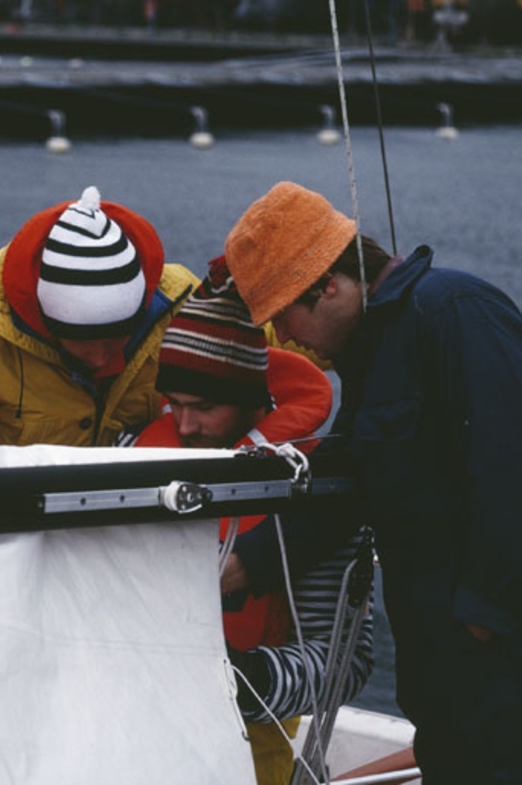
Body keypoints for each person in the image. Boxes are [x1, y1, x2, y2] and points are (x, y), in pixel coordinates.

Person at [221, 181, 522, 783]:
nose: (284, 339)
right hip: (444, 669)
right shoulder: (372, 353)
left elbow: (518, 475)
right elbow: (346, 485)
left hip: (503, 664)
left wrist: (478, 622)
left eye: (283, 316)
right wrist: (245, 564)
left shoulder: (456, 312)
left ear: (328, 284)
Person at [126, 259, 374, 785]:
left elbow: (343, 665)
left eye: (206, 406)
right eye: (175, 405)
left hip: (249, 744)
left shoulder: (312, 497)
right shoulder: (127, 461)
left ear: (251, 400)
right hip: (135, 729)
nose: (186, 424)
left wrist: (243, 681)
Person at [0, 185, 199, 454]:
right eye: (83, 342)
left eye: (118, 337)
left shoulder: (188, 309)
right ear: (46, 323)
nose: (101, 358)